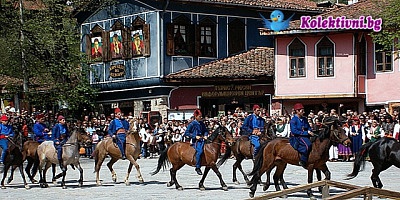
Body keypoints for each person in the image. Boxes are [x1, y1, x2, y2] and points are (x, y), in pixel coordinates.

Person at [183, 109, 209, 175]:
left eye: (201, 116)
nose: (201, 117)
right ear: (196, 116)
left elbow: (205, 130)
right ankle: (197, 167)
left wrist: (205, 135)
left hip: (203, 139)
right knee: (199, 151)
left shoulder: (202, 123)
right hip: (196, 141)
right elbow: (187, 133)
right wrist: (195, 136)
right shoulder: (192, 124)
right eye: (200, 116)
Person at [289, 103, 314, 169]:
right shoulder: (293, 120)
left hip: (306, 135)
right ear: (297, 111)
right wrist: (306, 133)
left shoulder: (304, 119)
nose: (303, 112)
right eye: (302, 111)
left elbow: (308, 127)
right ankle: (303, 160)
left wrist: (310, 131)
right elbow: (294, 131)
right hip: (297, 136)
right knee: (308, 145)